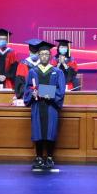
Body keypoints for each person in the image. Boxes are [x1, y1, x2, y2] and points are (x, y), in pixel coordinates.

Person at [24, 41, 67, 170]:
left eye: (46, 54)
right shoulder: (33, 71)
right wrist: (32, 93)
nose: (44, 56)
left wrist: (48, 93)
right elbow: (27, 89)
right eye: (42, 54)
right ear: (38, 55)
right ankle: (38, 157)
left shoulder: (57, 72)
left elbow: (61, 91)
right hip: (37, 106)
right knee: (38, 131)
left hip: (51, 106)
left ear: (50, 56)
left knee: (50, 131)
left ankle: (49, 157)